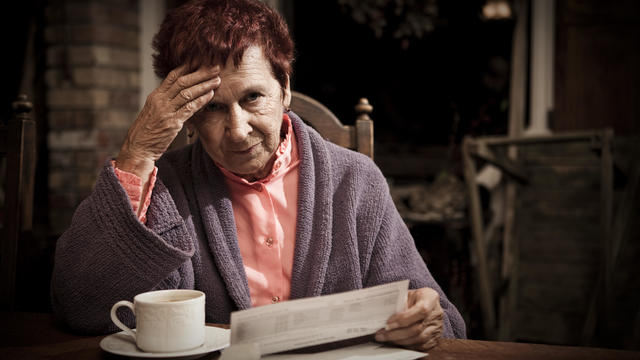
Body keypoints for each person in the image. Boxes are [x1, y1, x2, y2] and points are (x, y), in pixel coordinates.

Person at [51, 0, 466, 351]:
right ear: (187, 113)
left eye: (253, 98)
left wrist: (425, 322)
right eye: (212, 107)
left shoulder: (356, 181)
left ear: (284, 89)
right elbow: (79, 307)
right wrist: (138, 152)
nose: (237, 129)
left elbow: (446, 322)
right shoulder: (163, 188)